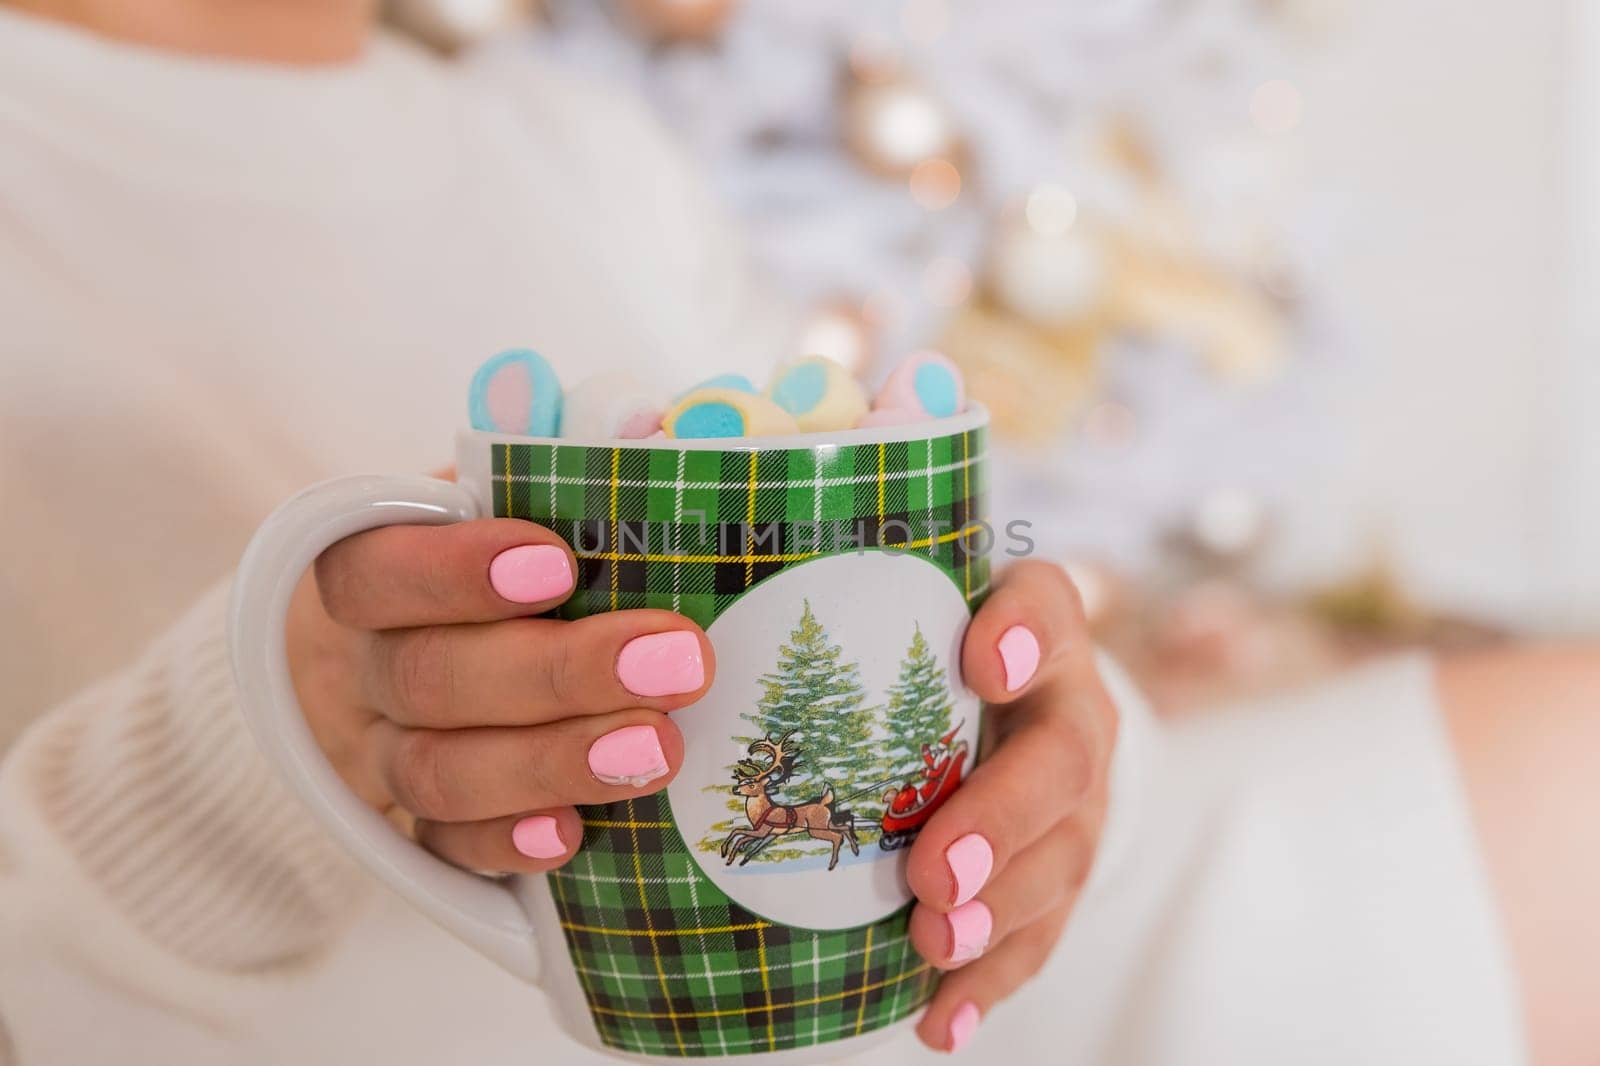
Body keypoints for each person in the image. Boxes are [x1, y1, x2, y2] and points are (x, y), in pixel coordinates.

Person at [0, 4, 1596, 1066]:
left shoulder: (577, 152)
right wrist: (258, 754)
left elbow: (876, 608)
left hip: (893, 1010)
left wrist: (1056, 754)